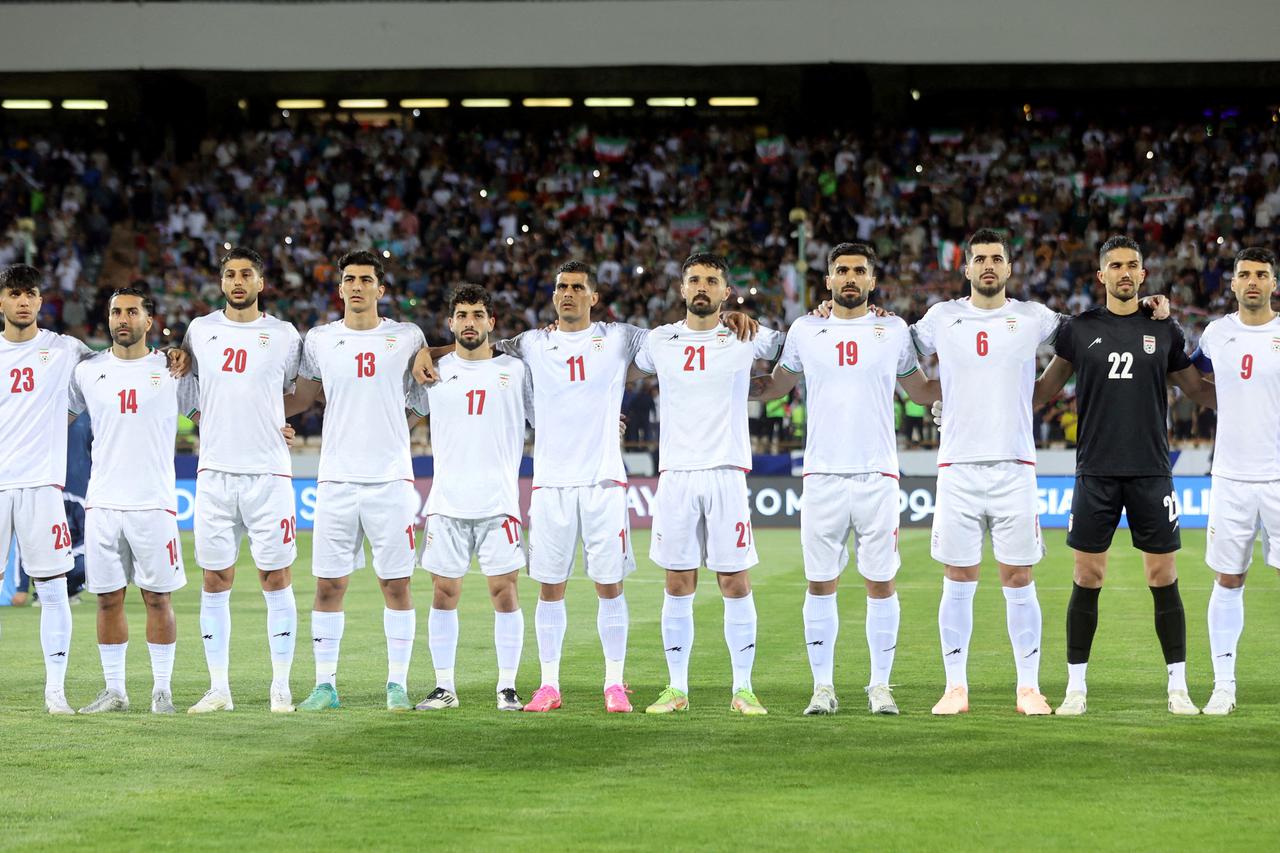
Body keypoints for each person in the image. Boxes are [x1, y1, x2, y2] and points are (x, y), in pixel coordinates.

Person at [750, 242, 939, 715]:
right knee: (820, 583)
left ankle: (880, 686)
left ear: (873, 281)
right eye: (841, 271)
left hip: (878, 474)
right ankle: (822, 687)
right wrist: (721, 364)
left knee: (881, 583)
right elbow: (775, 386)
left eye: (859, 271)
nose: (850, 278)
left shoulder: (892, 329)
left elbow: (919, 391)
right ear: (828, 281)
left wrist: (970, 389)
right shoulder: (805, 330)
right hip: (822, 476)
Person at [1035, 235, 1216, 716]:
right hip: (1095, 470)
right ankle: (1076, 688)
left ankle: (1178, 687)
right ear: (1100, 275)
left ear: (1143, 273)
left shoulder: (1167, 329)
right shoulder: (1078, 329)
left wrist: (1257, 395)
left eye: (1132, 265)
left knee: (1163, 575)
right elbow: (1041, 394)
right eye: (1114, 265)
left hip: (1151, 470)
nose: (1124, 273)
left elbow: (1199, 391)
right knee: (1086, 575)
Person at [911, 228, 1062, 716]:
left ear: (1010, 267)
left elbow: (1087, 337)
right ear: (967, 268)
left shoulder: (1033, 317)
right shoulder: (941, 318)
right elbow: (893, 348)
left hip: (1015, 465)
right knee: (958, 575)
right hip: (957, 466)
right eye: (980, 259)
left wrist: (1041, 391)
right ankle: (955, 687)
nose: (989, 266)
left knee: (1019, 575)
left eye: (997, 258)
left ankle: (1028, 688)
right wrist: (933, 397)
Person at [633, 251, 783, 716]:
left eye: (711, 280)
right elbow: (614, 355)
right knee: (677, 582)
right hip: (676, 473)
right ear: (681, 289)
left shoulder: (747, 335)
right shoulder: (659, 340)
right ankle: (676, 689)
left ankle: (744, 689)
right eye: (694, 279)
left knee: (734, 581)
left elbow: (800, 346)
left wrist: (821, 312)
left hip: (726, 472)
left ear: (725, 291)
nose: (702, 287)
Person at [289, 250, 427, 712]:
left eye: (366, 279)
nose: (356, 286)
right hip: (336, 482)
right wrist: (263, 418)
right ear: (340, 287)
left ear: (380, 289)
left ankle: (397, 685)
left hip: (390, 481)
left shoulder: (406, 337)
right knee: (329, 586)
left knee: (396, 586)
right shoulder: (320, 339)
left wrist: (398, 427)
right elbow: (303, 397)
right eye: (349, 279)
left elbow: (427, 392)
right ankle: (325, 685)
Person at [183, 248, 303, 715]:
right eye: (230, 274)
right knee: (215, 578)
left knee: (275, 576)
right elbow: (187, 390)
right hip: (214, 474)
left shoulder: (284, 335)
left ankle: (281, 686)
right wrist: (213, 423)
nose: (238, 281)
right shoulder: (200, 331)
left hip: (268, 473)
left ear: (260, 282)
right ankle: (219, 688)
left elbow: (300, 391)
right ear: (221, 283)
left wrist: (277, 420)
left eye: (246, 274)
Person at [70, 288, 188, 714]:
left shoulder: (173, 370)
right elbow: (56, 416)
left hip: (154, 504)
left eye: (131, 312)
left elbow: (214, 412)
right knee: (107, 597)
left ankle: (162, 690)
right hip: (102, 503)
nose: (123, 318)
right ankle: (115, 691)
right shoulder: (88, 372)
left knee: (158, 598)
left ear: (149, 319)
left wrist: (276, 429)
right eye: (116, 311)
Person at [414, 284, 529, 712]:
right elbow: (398, 414)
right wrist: (422, 353)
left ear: (491, 322)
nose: (469, 322)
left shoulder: (516, 372)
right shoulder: (432, 373)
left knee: (504, 592)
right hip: (446, 502)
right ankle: (444, 686)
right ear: (450, 323)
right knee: (444, 593)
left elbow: (549, 414)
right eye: (462, 315)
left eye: (478, 314)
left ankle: (507, 687)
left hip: (499, 502)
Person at [1189, 247, 1279, 715]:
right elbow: (1191, 377)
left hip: (1279, 477)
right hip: (1230, 477)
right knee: (1228, 579)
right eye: (1244, 274)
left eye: (1261, 275)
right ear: (1232, 283)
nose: (1252, 282)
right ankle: (1224, 685)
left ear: (1273, 284)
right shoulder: (1217, 334)